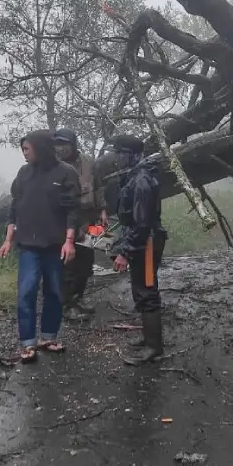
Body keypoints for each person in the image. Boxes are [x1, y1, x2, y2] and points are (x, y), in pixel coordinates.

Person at [0, 130, 82, 363]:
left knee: (54, 291)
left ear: (40, 148)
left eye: (27, 149)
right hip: (28, 244)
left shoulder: (65, 172)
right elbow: (15, 207)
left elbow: (72, 210)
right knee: (27, 291)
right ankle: (28, 342)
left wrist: (69, 241)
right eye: (22, 149)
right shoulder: (24, 173)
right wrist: (8, 239)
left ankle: (48, 337)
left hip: (54, 244)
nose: (24, 153)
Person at [106, 135, 168, 366]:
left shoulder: (141, 180)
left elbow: (141, 223)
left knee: (147, 291)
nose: (116, 159)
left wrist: (125, 252)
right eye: (116, 153)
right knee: (141, 289)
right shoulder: (132, 176)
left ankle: (154, 348)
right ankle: (148, 338)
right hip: (142, 240)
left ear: (133, 155)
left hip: (147, 242)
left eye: (120, 154)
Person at [51, 129, 106, 319]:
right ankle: (67, 306)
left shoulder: (88, 162)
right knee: (67, 265)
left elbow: (98, 187)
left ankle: (78, 298)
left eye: (65, 144)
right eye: (57, 144)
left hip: (87, 221)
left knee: (86, 263)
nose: (61, 148)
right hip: (63, 223)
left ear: (73, 144)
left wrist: (102, 210)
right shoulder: (52, 166)